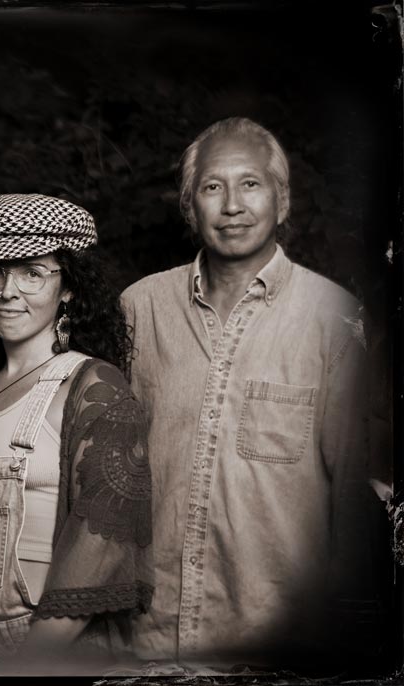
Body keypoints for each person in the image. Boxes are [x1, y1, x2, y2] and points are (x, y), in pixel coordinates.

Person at [122, 117, 381, 669]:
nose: (232, 205)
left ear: (282, 201)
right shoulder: (139, 309)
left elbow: (353, 501)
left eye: (251, 184)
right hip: (143, 644)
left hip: (273, 653)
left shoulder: (334, 320)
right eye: (213, 187)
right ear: (190, 208)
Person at [0, 193, 153, 665]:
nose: (8, 292)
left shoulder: (94, 388)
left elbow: (98, 548)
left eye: (32, 272)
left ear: (69, 288)